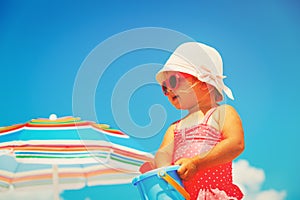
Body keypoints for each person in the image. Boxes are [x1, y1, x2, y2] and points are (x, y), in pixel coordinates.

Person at [140, 42, 244, 200]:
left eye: (173, 81)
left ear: (204, 83)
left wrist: (197, 163)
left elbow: (235, 144)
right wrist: (156, 166)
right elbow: (163, 155)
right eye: (164, 88)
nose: (168, 91)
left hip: (214, 194)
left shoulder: (221, 113)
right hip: (184, 196)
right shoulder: (174, 128)